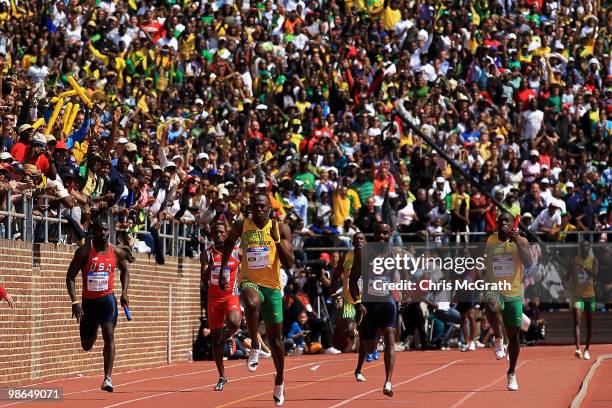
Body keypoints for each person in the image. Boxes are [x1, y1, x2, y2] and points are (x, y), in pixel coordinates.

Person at [219, 193, 294, 406]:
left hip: (272, 288)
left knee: (277, 341)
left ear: (269, 209)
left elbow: (289, 263)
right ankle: (254, 347)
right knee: (251, 303)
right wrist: (225, 266)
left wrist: (277, 240)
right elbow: (228, 243)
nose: (259, 209)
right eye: (255, 206)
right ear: (250, 208)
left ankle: (279, 380)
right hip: (249, 280)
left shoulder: (282, 228)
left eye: (263, 206)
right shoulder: (242, 225)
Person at [66, 219, 130, 392]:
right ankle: (91, 333)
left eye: (106, 230)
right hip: (89, 303)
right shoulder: (84, 252)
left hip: (107, 300)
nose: (104, 233)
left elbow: (125, 271)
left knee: (109, 335)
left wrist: (124, 292)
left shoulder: (116, 252)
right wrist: (74, 301)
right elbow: (70, 277)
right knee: (87, 344)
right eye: (100, 230)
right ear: (94, 232)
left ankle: (107, 378)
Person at [484, 212, 533, 391]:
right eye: (500, 221)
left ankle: (511, 372)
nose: (503, 223)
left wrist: (517, 242)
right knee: (491, 305)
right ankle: (498, 337)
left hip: (513, 294)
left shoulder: (522, 241)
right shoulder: (490, 241)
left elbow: (528, 263)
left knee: (514, 338)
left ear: (513, 224)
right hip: (494, 289)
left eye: (507, 220)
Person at [349, 223, 397, 397]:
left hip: (387, 302)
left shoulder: (395, 254)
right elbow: (353, 280)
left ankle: (388, 382)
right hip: (369, 305)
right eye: (378, 233)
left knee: (390, 337)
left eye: (385, 233)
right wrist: (357, 302)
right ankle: (375, 335)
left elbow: (398, 276)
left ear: (390, 234)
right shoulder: (363, 253)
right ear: (374, 235)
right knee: (369, 348)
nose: (381, 236)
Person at [201, 221, 242, 391]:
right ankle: (222, 376)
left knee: (234, 322)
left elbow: (243, 269)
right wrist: (209, 269)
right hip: (213, 299)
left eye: (221, 232)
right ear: (211, 235)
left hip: (230, 296)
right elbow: (204, 280)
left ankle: (230, 335)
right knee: (216, 340)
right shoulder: (207, 253)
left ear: (227, 233)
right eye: (215, 232)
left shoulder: (236, 251)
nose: (218, 235)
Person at [331, 232, 368, 381]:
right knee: (349, 329)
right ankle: (357, 337)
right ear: (352, 243)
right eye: (356, 239)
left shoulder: (372, 257)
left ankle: (359, 368)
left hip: (367, 300)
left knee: (367, 337)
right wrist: (335, 295)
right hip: (349, 300)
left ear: (365, 242)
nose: (358, 241)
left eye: (361, 239)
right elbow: (335, 277)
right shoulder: (346, 256)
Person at [567, 240, 598, 360]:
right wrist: (568, 285)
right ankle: (578, 348)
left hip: (590, 295)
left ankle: (587, 349)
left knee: (589, 323)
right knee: (577, 320)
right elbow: (567, 275)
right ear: (580, 248)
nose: (584, 248)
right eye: (582, 246)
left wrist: (584, 267)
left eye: (586, 246)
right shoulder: (574, 260)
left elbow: (595, 275)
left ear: (589, 247)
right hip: (577, 296)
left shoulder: (593, 260)